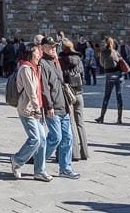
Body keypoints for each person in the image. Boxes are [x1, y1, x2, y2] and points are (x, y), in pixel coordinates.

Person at [40, 36, 79, 179]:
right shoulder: (43, 63)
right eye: (51, 47)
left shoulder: (56, 62)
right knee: (55, 137)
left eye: (55, 47)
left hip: (64, 106)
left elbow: (62, 82)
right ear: (43, 48)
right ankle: (39, 161)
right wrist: (48, 106)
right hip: (53, 107)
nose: (53, 49)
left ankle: (65, 168)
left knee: (67, 138)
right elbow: (44, 87)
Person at [9, 43, 50, 182]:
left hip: (35, 109)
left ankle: (40, 170)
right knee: (35, 139)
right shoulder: (26, 69)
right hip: (27, 110)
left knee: (42, 139)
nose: (40, 55)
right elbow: (31, 91)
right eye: (37, 53)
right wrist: (37, 109)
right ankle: (17, 160)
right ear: (31, 55)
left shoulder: (35, 68)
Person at [59, 37, 88, 161]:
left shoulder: (61, 60)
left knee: (70, 124)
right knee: (80, 124)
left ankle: (74, 153)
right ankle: (85, 153)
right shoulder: (79, 59)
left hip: (68, 94)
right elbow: (83, 76)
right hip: (79, 93)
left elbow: (60, 77)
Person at [95, 37, 123, 124]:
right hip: (119, 75)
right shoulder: (116, 52)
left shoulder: (104, 53)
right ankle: (119, 118)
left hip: (110, 75)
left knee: (107, 96)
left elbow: (102, 64)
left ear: (106, 43)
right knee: (119, 96)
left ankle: (102, 117)